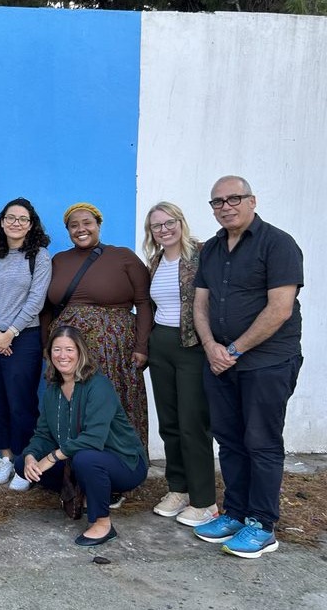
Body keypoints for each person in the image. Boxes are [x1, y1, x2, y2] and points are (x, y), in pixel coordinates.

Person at [192, 176, 303, 558]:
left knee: (262, 443)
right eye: (217, 201)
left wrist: (233, 350)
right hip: (220, 362)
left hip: (267, 362)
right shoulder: (211, 249)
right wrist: (210, 347)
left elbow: (280, 309)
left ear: (251, 200)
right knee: (230, 440)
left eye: (233, 198)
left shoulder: (278, 243)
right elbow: (200, 303)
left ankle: (262, 525)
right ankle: (236, 513)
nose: (225, 206)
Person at [16, 326, 148, 547]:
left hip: (124, 464)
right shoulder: (53, 391)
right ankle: (83, 491)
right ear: (49, 354)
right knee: (22, 464)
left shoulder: (98, 386)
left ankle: (102, 523)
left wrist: (50, 458)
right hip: (79, 459)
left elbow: (93, 439)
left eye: (69, 349)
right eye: (56, 349)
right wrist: (31, 456)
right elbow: (43, 434)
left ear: (80, 352)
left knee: (85, 459)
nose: (62, 355)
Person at [43, 202, 153, 452]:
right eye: (74, 225)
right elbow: (47, 309)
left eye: (87, 223)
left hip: (115, 350)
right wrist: (45, 347)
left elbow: (144, 303)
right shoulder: (59, 260)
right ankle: (73, 463)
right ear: (68, 231)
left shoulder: (123, 256)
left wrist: (142, 346)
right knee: (74, 404)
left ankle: (123, 463)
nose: (81, 229)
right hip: (68, 352)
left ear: (98, 225)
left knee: (113, 403)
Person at [142, 203, 218, 528]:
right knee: (170, 423)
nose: (164, 229)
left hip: (192, 346)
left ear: (180, 222)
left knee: (192, 423)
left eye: (168, 222)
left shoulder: (202, 254)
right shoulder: (155, 261)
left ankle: (205, 501)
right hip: (161, 344)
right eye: (156, 226)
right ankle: (178, 489)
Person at [0, 197, 52, 491]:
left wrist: (11, 333)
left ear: (31, 225)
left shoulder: (40, 257)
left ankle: (24, 463)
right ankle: (5, 457)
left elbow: (36, 300)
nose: (16, 223)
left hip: (25, 338)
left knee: (21, 401)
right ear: (2, 221)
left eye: (22, 219)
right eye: (11, 217)